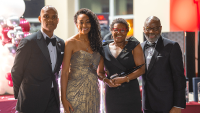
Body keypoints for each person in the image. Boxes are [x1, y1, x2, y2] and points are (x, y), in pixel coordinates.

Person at [11, 6, 65, 113]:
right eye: (46, 16)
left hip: (53, 100)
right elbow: (16, 71)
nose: (50, 20)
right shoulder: (28, 42)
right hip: (31, 99)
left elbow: (56, 71)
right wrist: (20, 96)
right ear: (40, 19)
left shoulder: (61, 43)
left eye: (53, 17)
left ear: (57, 20)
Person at [98, 18, 145, 113]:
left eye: (122, 30)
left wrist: (125, 78)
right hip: (112, 92)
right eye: (116, 30)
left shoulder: (134, 46)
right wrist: (107, 81)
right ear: (111, 31)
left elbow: (141, 69)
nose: (119, 33)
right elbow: (100, 72)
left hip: (130, 91)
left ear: (127, 31)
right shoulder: (103, 48)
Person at [141, 16, 186, 113]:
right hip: (147, 104)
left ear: (160, 28)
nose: (151, 32)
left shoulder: (172, 46)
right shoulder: (140, 47)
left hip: (166, 104)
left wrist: (177, 105)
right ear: (144, 29)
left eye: (155, 28)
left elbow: (179, 77)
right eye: (148, 28)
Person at [61, 8, 102, 113]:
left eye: (88, 22)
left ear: (92, 24)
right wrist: (63, 98)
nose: (85, 25)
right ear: (76, 24)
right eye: (81, 22)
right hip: (74, 92)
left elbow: (100, 71)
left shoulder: (97, 43)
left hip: (93, 92)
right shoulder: (70, 43)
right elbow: (64, 72)